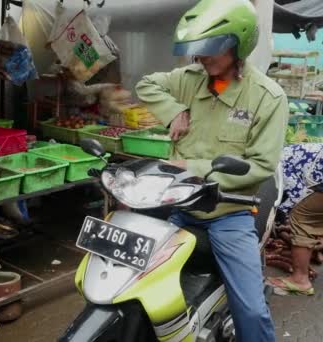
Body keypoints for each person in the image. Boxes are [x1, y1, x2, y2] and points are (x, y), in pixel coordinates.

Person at [135, 0, 288, 341]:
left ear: (238, 45)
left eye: (209, 50)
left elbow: (261, 165)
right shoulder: (188, 79)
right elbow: (146, 84)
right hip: (177, 207)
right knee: (135, 283)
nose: (200, 58)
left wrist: (194, 167)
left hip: (227, 215)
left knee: (250, 309)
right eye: (196, 50)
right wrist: (172, 110)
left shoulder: (268, 97)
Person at [267, 144, 323, 295]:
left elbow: (297, 195)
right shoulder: (284, 152)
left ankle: (300, 280)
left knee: (301, 216)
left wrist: (280, 214)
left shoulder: (278, 164)